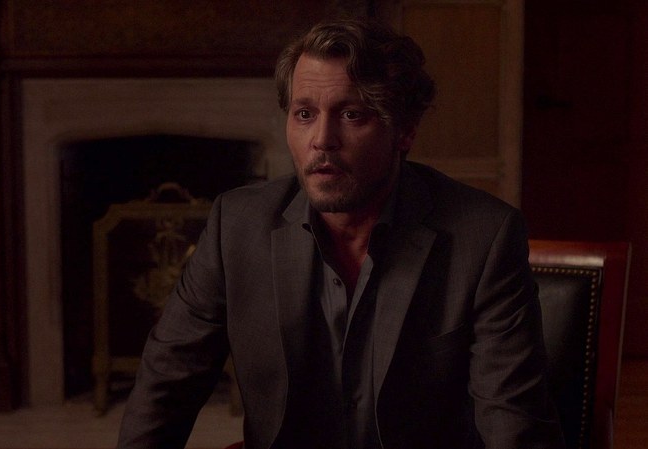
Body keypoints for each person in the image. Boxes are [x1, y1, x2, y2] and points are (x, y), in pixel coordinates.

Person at [117, 19, 565, 449]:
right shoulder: (236, 225)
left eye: (352, 114)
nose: (322, 139)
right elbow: (167, 383)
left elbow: (515, 423)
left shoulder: (483, 237)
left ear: (405, 131)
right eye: (304, 114)